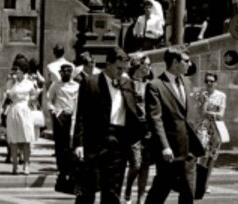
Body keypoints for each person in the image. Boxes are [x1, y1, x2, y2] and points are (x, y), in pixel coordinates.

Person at [74, 47, 145, 204]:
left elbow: (133, 112)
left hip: (119, 142)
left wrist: (136, 136)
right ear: (108, 64)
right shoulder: (90, 82)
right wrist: (78, 144)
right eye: (118, 68)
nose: (121, 72)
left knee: (113, 190)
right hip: (95, 141)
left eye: (124, 69)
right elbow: (80, 115)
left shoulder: (127, 83)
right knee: (88, 190)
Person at [145, 47, 205, 204]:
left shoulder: (186, 82)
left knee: (188, 192)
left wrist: (198, 135)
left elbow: (189, 114)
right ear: (175, 62)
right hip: (170, 150)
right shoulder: (155, 85)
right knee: (161, 188)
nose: (189, 64)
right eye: (186, 61)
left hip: (189, 148)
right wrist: (164, 146)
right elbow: (155, 119)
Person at [124, 55, 156, 204]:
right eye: (147, 65)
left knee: (145, 165)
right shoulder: (128, 84)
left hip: (148, 130)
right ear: (138, 66)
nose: (150, 67)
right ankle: (129, 188)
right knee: (136, 164)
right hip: (133, 130)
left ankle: (141, 198)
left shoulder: (150, 84)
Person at [193, 72, 229, 198]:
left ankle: (206, 184)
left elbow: (221, 114)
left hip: (215, 129)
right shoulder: (200, 94)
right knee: (201, 156)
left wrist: (210, 112)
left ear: (216, 82)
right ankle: (198, 184)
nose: (209, 83)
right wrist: (206, 102)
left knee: (211, 158)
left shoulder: (221, 96)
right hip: (202, 128)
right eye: (207, 81)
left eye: (211, 81)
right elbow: (200, 113)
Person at [4, 57, 40, 174]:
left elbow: (34, 97)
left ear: (23, 70)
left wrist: (33, 99)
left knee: (26, 139)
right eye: (15, 69)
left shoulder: (29, 83)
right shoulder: (10, 82)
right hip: (14, 110)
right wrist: (12, 83)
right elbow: (8, 97)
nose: (15, 71)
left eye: (18, 69)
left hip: (25, 110)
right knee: (13, 139)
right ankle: (15, 166)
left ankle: (26, 165)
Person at [47, 63, 80, 186]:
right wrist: (54, 111)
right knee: (60, 144)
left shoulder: (77, 86)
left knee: (70, 144)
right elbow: (49, 99)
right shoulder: (55, 85)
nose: (65, 74)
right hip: (60, 116)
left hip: (72, 116)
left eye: (67, 72)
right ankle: (61, 168)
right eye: (63, 72)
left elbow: (78, 102)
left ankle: (70, 168)